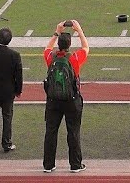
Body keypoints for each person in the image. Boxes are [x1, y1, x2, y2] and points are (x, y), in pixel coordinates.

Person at [43, 20, 89, 173]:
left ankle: (48, 165)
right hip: (72, 100)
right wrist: (79, 30)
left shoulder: (51, 57)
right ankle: (75, 164)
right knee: (73, 132)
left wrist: (56, 31)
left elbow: (47, 48)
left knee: (51, 132)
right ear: (69, 44)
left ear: (59, 44)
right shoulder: (74, 58)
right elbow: (86, 48)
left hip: (53, 100)